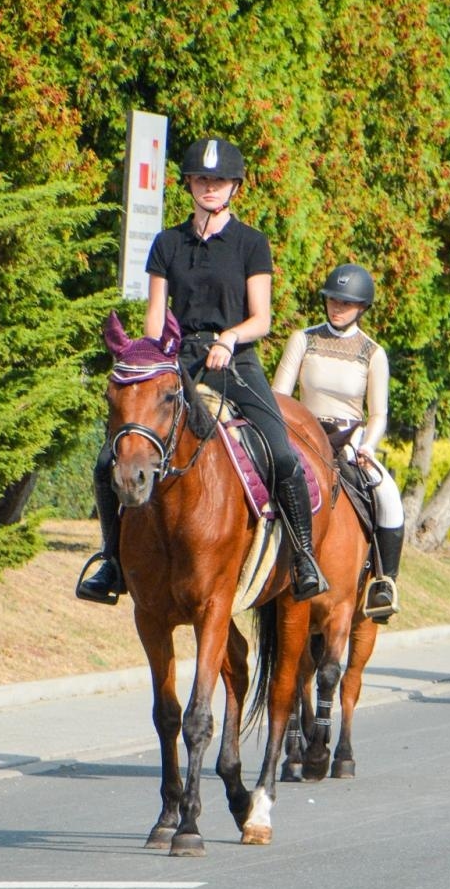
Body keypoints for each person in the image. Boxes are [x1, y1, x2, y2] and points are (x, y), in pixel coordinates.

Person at [77, 137, 328, 604]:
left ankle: (305, 558)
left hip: (235, 360)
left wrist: (229, 339)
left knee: (282, 453)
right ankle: (111, 561)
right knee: (106, 459)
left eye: (218, 180)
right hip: (177, 362)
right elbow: (156, 319)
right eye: (201, 179)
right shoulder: (166, 243)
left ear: (234, 186)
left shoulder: (252, 243)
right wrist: (150, 359)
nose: (209, 187)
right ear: (189, 185)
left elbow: (262, 318)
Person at [272, 263, 405, 621]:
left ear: (362, 307)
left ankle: (383, 581)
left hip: (349, 439)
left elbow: (378, 413)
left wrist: (368, 446)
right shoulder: (303, 339)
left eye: (346, 303)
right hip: (302, 434)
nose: (337, 307)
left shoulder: (373, 353)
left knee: (388, 494)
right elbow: (279, 395)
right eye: (333, 300)